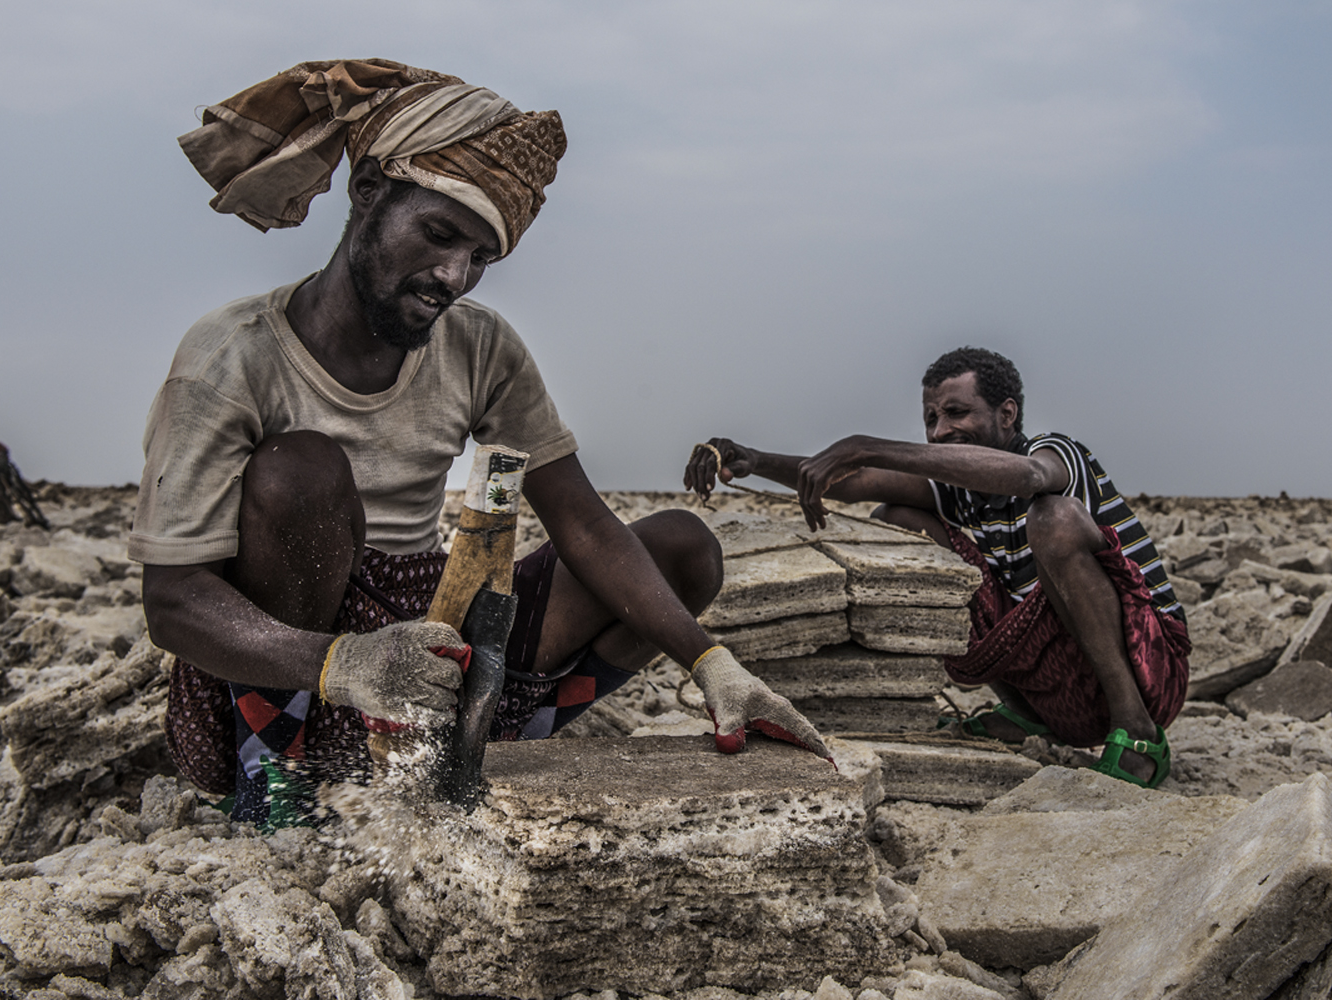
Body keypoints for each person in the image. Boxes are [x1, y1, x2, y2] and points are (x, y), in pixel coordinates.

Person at [131, 59, 826, 826]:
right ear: (367, 195)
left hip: (428, 641)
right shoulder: (231, 355)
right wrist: (346, 664)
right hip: (277, 668)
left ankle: (498, 738)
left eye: (480, 259)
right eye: (438, 235)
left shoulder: (478, 345)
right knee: (301, 471)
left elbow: (584, 523)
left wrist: (710, 663)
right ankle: (278, 779)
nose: (454, 276)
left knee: (682, 548)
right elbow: (174, 601)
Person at [685, 347, 1188, 787]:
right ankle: (1024, 714)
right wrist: (752, 458)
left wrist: (869, 444)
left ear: (1007, 413)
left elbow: (1031, 477)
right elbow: (860, 484)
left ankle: (1139, 734)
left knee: (1053, 517)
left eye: (956, 412)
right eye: (930, 419)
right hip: (1055, 691)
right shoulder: (957, 490)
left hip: (1146, 671)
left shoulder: (1054, 453)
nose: (940, 430)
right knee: (900, 521)